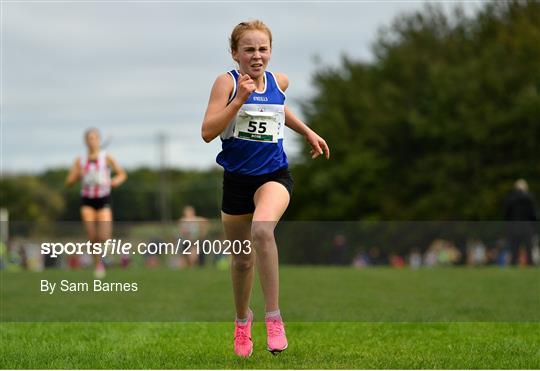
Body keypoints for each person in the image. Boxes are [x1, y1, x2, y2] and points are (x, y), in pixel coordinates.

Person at [201, 20, 329, 358]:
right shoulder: (225, 83)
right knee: (242, 262)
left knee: (262, 231)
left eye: (263, 49)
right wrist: (238, 100)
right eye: (249, 50)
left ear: (270, 51)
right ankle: (243, 321)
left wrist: (306, 131)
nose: (257, 56)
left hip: (274, 176)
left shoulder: (278, 81)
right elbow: (207, 131)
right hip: (237, 182)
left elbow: (276, 108)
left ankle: (274, 318)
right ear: (235, 54)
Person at [65, 128, 127, 278]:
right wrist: (78, 175)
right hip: (87, 201)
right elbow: (68, 182)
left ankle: (107, 256)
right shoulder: (80, 161)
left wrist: (114, 182)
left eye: (95, 138)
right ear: (86, 141)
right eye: (89, 138)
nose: (92, 141)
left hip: (103, 198)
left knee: (104, 236)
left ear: (99, 140)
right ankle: (98, 265)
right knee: (93, 237)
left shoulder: (107, 158)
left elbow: (122, 174)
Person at [503, 179, 538, 265]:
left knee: (514, 248)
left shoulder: (510, 198)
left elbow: (506, 212)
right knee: (529, 247)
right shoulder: (530, 198)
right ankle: (530, 264)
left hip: (513, 226)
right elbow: (533, 214)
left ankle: (514, 264)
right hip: (527, 226)